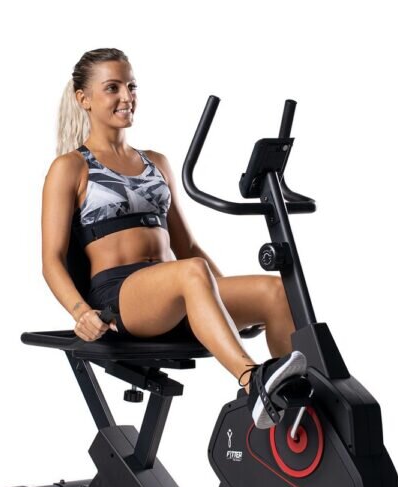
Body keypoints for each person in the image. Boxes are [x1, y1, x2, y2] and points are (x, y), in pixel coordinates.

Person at [42, 47, 307, 429]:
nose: (126, 97)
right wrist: (80, 312)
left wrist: (222, 298)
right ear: (84, 98)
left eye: (131, 86)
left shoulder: (156, 162)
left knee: (275, 292)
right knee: (191, 271)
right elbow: (51, 259)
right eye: (112, 88)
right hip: (121, 298)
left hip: (181, 289)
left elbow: (188, 247)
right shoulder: (71, 167)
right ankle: (254, 383)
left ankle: (295, 425)